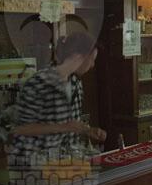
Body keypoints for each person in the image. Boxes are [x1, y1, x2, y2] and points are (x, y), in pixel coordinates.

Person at [11, 32, 106, 161]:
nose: (93, 65)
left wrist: (87, 130)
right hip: (40, 161)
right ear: (78, 57)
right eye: (92, 59)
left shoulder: (76, 83)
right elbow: (20, 129)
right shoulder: (39, 82)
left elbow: (70, 123)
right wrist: (63, 127)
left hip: (70, 159)